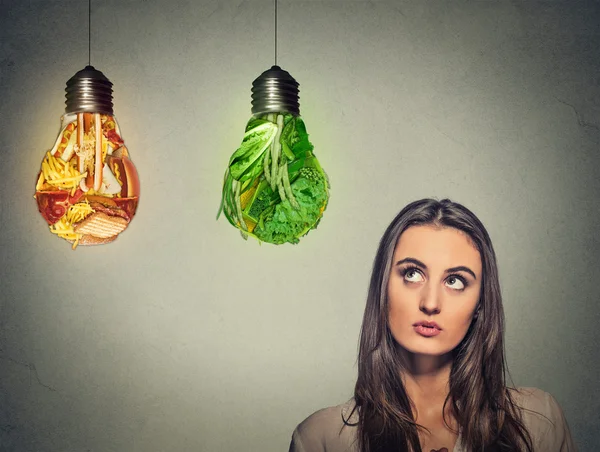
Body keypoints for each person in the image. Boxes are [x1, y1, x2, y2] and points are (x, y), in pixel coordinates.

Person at [289, 198, 576, 452]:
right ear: (383, 287)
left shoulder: (538, 422)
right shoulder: (322, 439)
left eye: (455, 281)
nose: (430, 302)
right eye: (412, 274)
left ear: (480, 304)